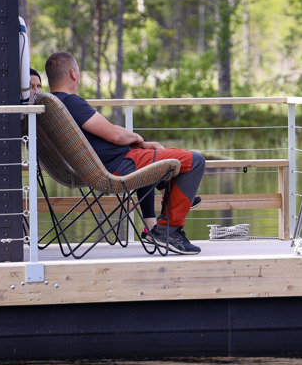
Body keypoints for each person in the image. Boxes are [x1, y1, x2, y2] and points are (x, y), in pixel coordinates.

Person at [44, 51, 205, 254]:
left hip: (101, 165)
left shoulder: (49, 105)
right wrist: (138, 139)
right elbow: (115, 136)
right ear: (73, 74)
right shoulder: (71, 102)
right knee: (195, 161)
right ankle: (169, 230)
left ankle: (165, 211)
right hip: (119, 165)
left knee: (152, 156)